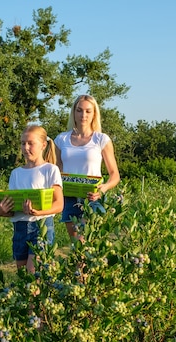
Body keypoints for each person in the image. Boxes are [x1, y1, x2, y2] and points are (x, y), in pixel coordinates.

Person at [0, 125, 64, 273]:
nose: (26, 147)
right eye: (22, 143)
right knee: (23, 276)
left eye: (30, 143)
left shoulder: (50, 170)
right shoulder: (16, 173)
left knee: (33, 275)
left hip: (41, 226)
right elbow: (13, 209)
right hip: (19, 228)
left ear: (43, 145)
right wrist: (1, 211)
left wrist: (38, 212)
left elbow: (59, 205)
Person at [54, 94, 120, 240]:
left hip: (93, 197)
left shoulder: (101, 139)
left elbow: (114, 174)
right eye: (79, 110)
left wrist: (102, 189)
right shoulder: (61, 139)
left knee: (86, 242)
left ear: (94, 114)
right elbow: (56, 170)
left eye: (88, 111)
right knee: (76, 246)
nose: (83, 115)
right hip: (69, 197)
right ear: (74, 112)